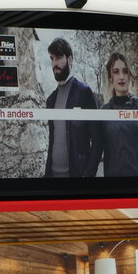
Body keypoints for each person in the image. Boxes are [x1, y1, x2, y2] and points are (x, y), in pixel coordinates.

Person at [44, 37, 101, 176]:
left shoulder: (84, 92)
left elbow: (98, 139)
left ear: (69, 59)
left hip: (77, 175)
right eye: (52, 58)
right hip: (52, 175)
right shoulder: (50, 100)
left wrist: (88, 173)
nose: (54, 63)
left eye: (58, 58)